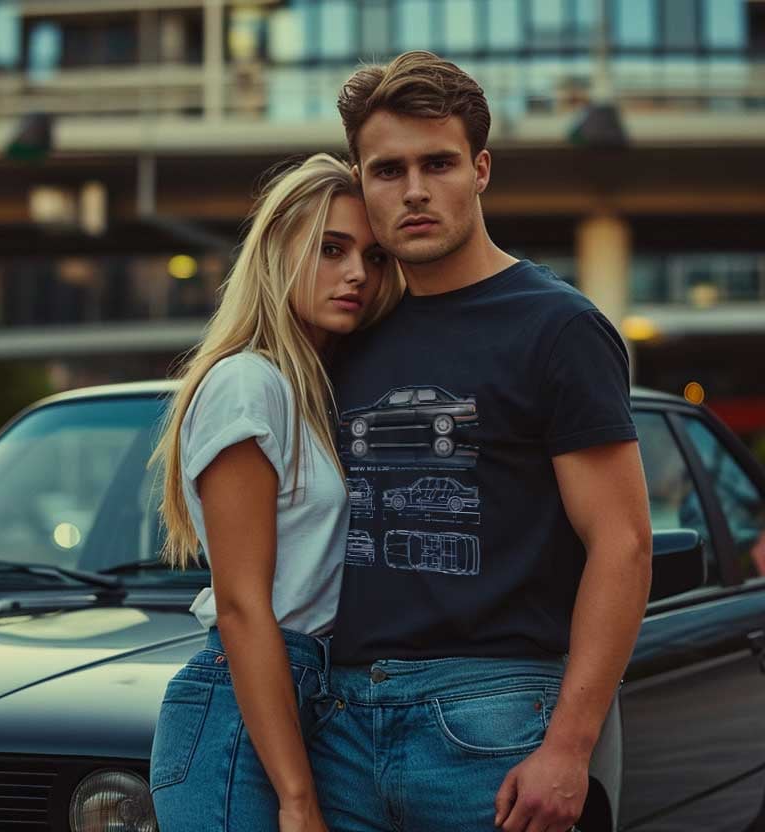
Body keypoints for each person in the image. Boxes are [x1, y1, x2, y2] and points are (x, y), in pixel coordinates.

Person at [307, 52, 654, 832]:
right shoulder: (348, 332)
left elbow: (624, 544)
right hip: (340, 719)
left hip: (491, 722)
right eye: (387, 170)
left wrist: (569, 747)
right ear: (362, 182)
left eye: (439, 163)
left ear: (482, 169)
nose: (415, 190)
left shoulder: (557, 326)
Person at [147, 153, 401, 832]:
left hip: (297, 700)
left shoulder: (309, 394)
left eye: (374, 258)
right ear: (276, 252)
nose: (357, 274)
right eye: (331, 248)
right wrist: (297, 795)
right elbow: (240, 607)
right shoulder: (247, 384)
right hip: (239, 716)